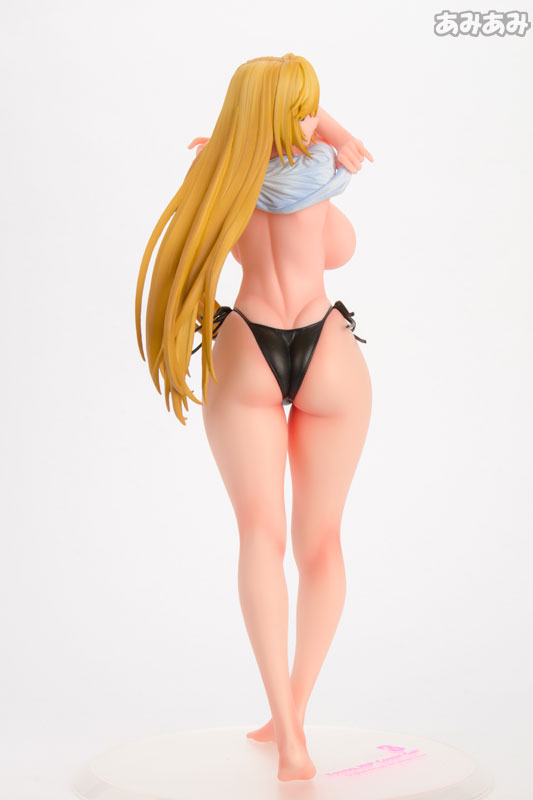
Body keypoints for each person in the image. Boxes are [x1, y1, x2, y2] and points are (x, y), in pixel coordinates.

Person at [135, 53, 373, 782]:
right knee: (321, 543)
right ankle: (292, 713)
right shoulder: (324, 170)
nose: (308, 120)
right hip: (328, 344)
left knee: (260, 538)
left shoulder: (220, 177)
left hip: (247, 344)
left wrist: (233, 138)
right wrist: (326, 127)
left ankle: (288, 731)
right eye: (301, 108)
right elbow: (342, 238)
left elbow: (212, 222)